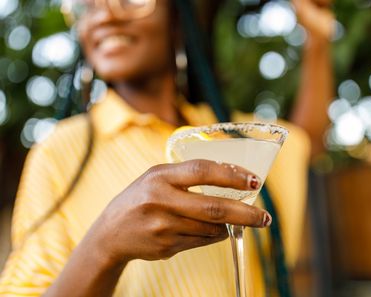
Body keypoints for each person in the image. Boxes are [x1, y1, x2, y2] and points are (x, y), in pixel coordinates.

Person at [0, 0, 333, 296]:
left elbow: (303, 142)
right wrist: (106, 244)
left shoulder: (227, 134)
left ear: (177, 18)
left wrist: (317, 39)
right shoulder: (58, 151)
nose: (106, 15)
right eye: (88, 6)